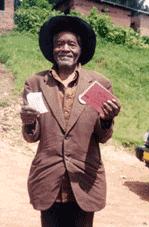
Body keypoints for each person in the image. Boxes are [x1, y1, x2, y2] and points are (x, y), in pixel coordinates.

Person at [20, 15, 121, 227]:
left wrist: (106, 121)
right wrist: (29, 122)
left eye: (71, 44)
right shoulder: (35, 83)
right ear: (52, 49)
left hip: (85, 181)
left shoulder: (99, 84)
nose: (65, 48)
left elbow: (103, 137)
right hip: (48, 181)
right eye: (59, 44)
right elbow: (33, 136)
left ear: (80, 49)